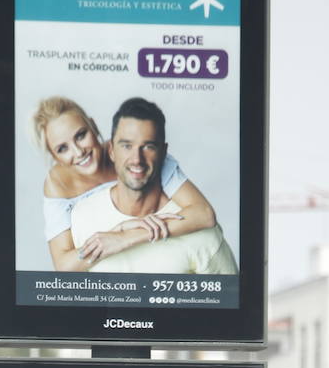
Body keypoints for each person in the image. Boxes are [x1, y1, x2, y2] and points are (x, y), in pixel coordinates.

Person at [32, 96, 219, 273]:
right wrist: (115, 232)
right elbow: (63, 265)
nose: (79, 152)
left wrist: (128, 237)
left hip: (159, 256)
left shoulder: (134, 156)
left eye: (81, 135)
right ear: (53, 156)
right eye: (62, 149)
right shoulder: (57, 184)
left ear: (93, 125)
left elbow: (203, 214)